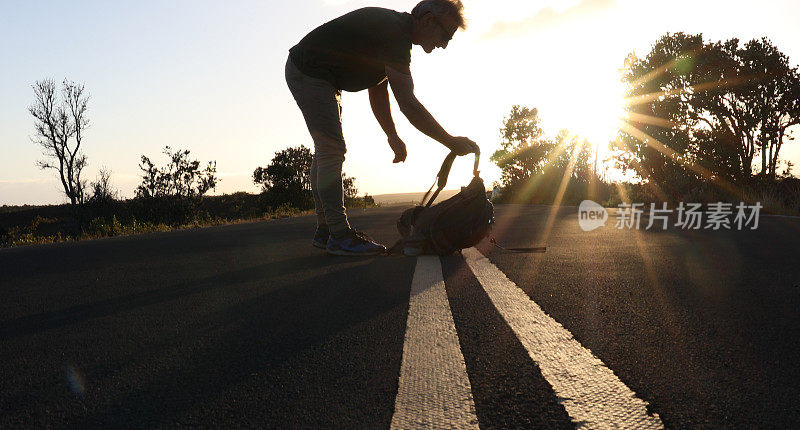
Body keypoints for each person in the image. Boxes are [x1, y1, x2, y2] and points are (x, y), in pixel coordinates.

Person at [286, 0, 479, 256]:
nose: (444, 44)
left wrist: (392, 135)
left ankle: (326, 231)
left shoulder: (396, 34)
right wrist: (450, 141)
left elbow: (377, 87)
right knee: (331, 149)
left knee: (325, 151)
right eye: (447, 34)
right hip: (309, 71)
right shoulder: (395, 34)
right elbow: (408, 104)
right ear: (428, 20)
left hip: (315, 73)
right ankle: (339, 235)